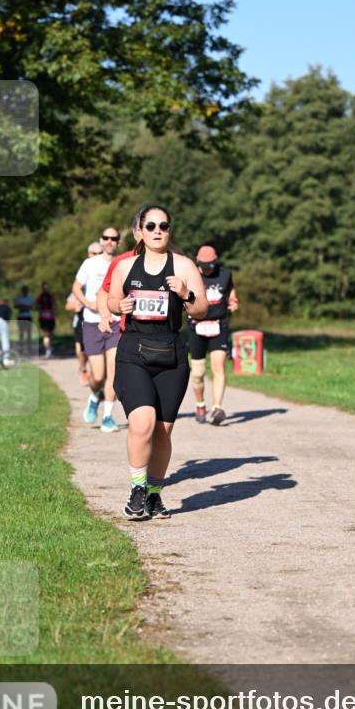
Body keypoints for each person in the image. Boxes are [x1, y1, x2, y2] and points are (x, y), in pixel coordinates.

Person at [100, 204, 207, 520]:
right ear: (140, 231)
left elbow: (201, 310)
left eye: (164, 226)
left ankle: (154, 494)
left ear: (170, 230)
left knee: (162, 431)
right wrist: (119, 306)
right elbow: (111, 299)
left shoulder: (184, 266)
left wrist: (186, 294)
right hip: (133, 351)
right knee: (143, 421)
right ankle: (137, 489)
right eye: (151, 226)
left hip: (171, 354)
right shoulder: (125, 267)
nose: (158, 231)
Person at [72, 228, 122, 432]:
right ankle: (94, 397)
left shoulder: (122, 264)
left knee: (114, 371)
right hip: (92, 322)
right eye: (106, 238)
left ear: (118, 242)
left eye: (114, 238)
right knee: (98, 376)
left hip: (115, 323)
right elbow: (76, 287)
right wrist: (87, 303)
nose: (109, 241)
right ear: (101, 240)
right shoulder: (90, 263)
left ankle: (108, 416)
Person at [188, 244, 239, 425]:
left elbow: (230, 290)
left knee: (219, 367)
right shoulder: (191, 274)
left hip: (219, 325)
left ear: (215, 261)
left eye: (209, 266)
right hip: (197, 326)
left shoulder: (225, 274)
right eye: (203, 266)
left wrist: (233, 301)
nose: (207, 269)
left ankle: (216, 408)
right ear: (197, 261)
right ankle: (200, 404)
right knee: (198, 373)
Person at [66, 243, 102, 387]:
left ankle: (97, 379)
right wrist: (78, 305)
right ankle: (83, 368)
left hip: (101, 320)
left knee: (96, 353)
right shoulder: (83, 277)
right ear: (88, 254)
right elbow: (68, 304)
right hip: (81, 321)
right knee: (81, 351)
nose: (96, 256)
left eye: (99, 253)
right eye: (94, 253)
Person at [35, 283, 56, 358]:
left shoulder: (40, 297)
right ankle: (48, 350)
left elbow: (36, 306)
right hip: (49, 317)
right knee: (48, 335)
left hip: (44, 317)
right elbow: (54, 306)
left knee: (47, 334)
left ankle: (49, 350)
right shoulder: (50, 296)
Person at [13, 285, 34, 353]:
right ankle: (21, 349)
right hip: (21, 316)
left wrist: (23, 306)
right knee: (21, 333)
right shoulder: (19, 298)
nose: (25, 291)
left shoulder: (30, 298)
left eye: (26, 290)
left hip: (28, 316)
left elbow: (31, 306)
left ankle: (29, 348)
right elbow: (16, 306)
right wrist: (24, 306)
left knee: (29, 333)